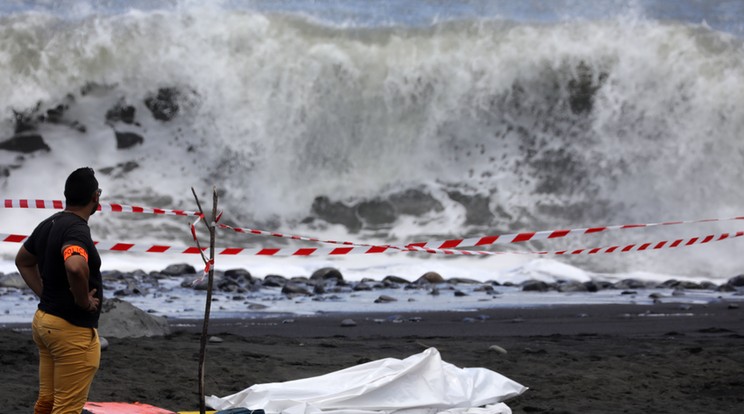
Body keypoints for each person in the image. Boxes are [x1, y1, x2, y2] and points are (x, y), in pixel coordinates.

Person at [15, 167, 103, 414]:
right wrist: (83, 300)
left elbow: (23, 260)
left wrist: (45, 294)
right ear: (95, 197)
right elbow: (75, 266)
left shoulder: (49, 223)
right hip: (70, 330)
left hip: (45, 322)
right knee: (66, 408)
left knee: (48, 401)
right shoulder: (77, 229)